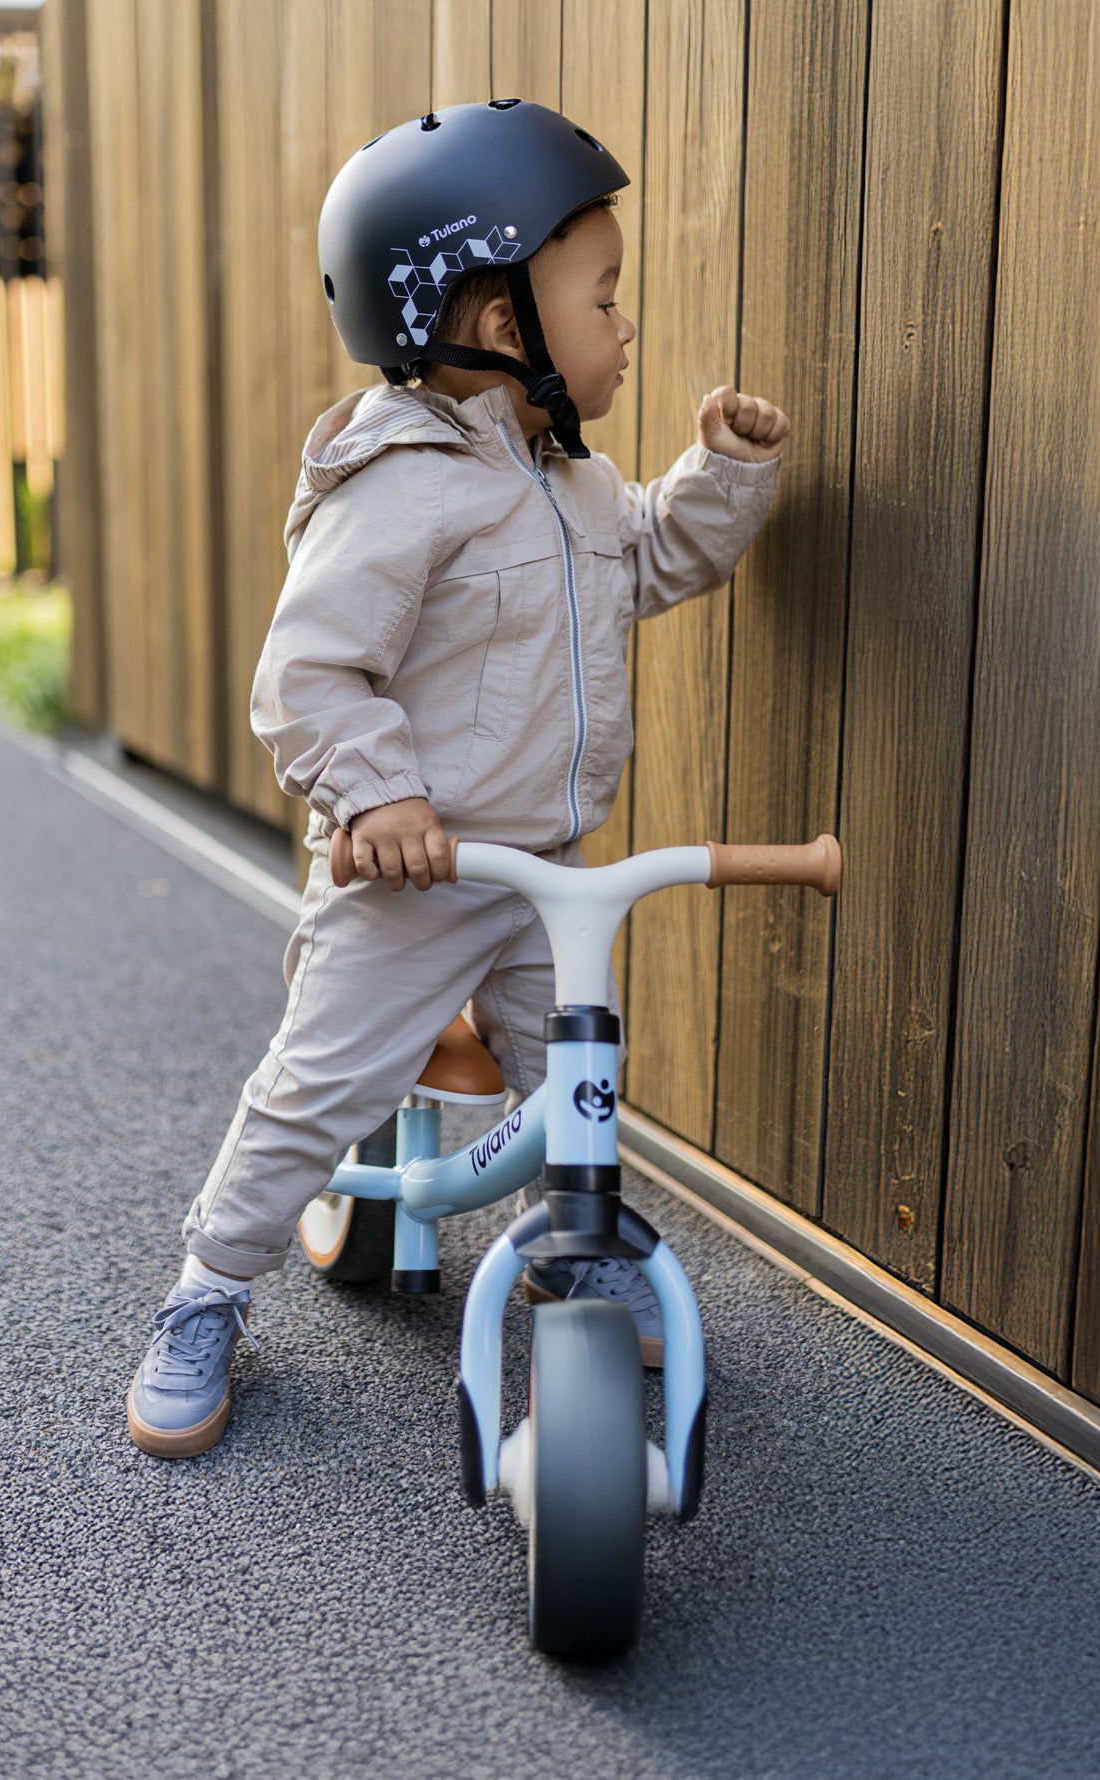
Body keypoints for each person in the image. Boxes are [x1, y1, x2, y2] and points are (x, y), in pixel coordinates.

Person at [127, 99, 790, 1457]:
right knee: (314, 1089)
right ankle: (206, 1291)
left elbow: (654, 561)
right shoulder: (402, 488)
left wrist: (725, 474)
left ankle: (580, 1239)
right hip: (415, 874)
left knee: (581, 1071)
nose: (626, 326)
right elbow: (309, 677)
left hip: (539, 874)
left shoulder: (574, 484)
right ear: (501, 325)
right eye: (602, 297)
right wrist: (379, 799)